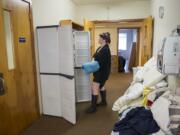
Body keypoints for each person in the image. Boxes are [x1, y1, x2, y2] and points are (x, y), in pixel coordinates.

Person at [86, 32, 111, 113]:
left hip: (101, 72)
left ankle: (93, 108)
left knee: (94, 87)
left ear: (104, 39)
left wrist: (90, 64)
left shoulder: (105, 49)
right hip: (99, 71)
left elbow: (98, 61)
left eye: (100, 38)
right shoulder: (100, 48)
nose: (98, 39)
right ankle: (104, 102)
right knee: (101, 86)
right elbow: (94, 56)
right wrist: (93, 59)